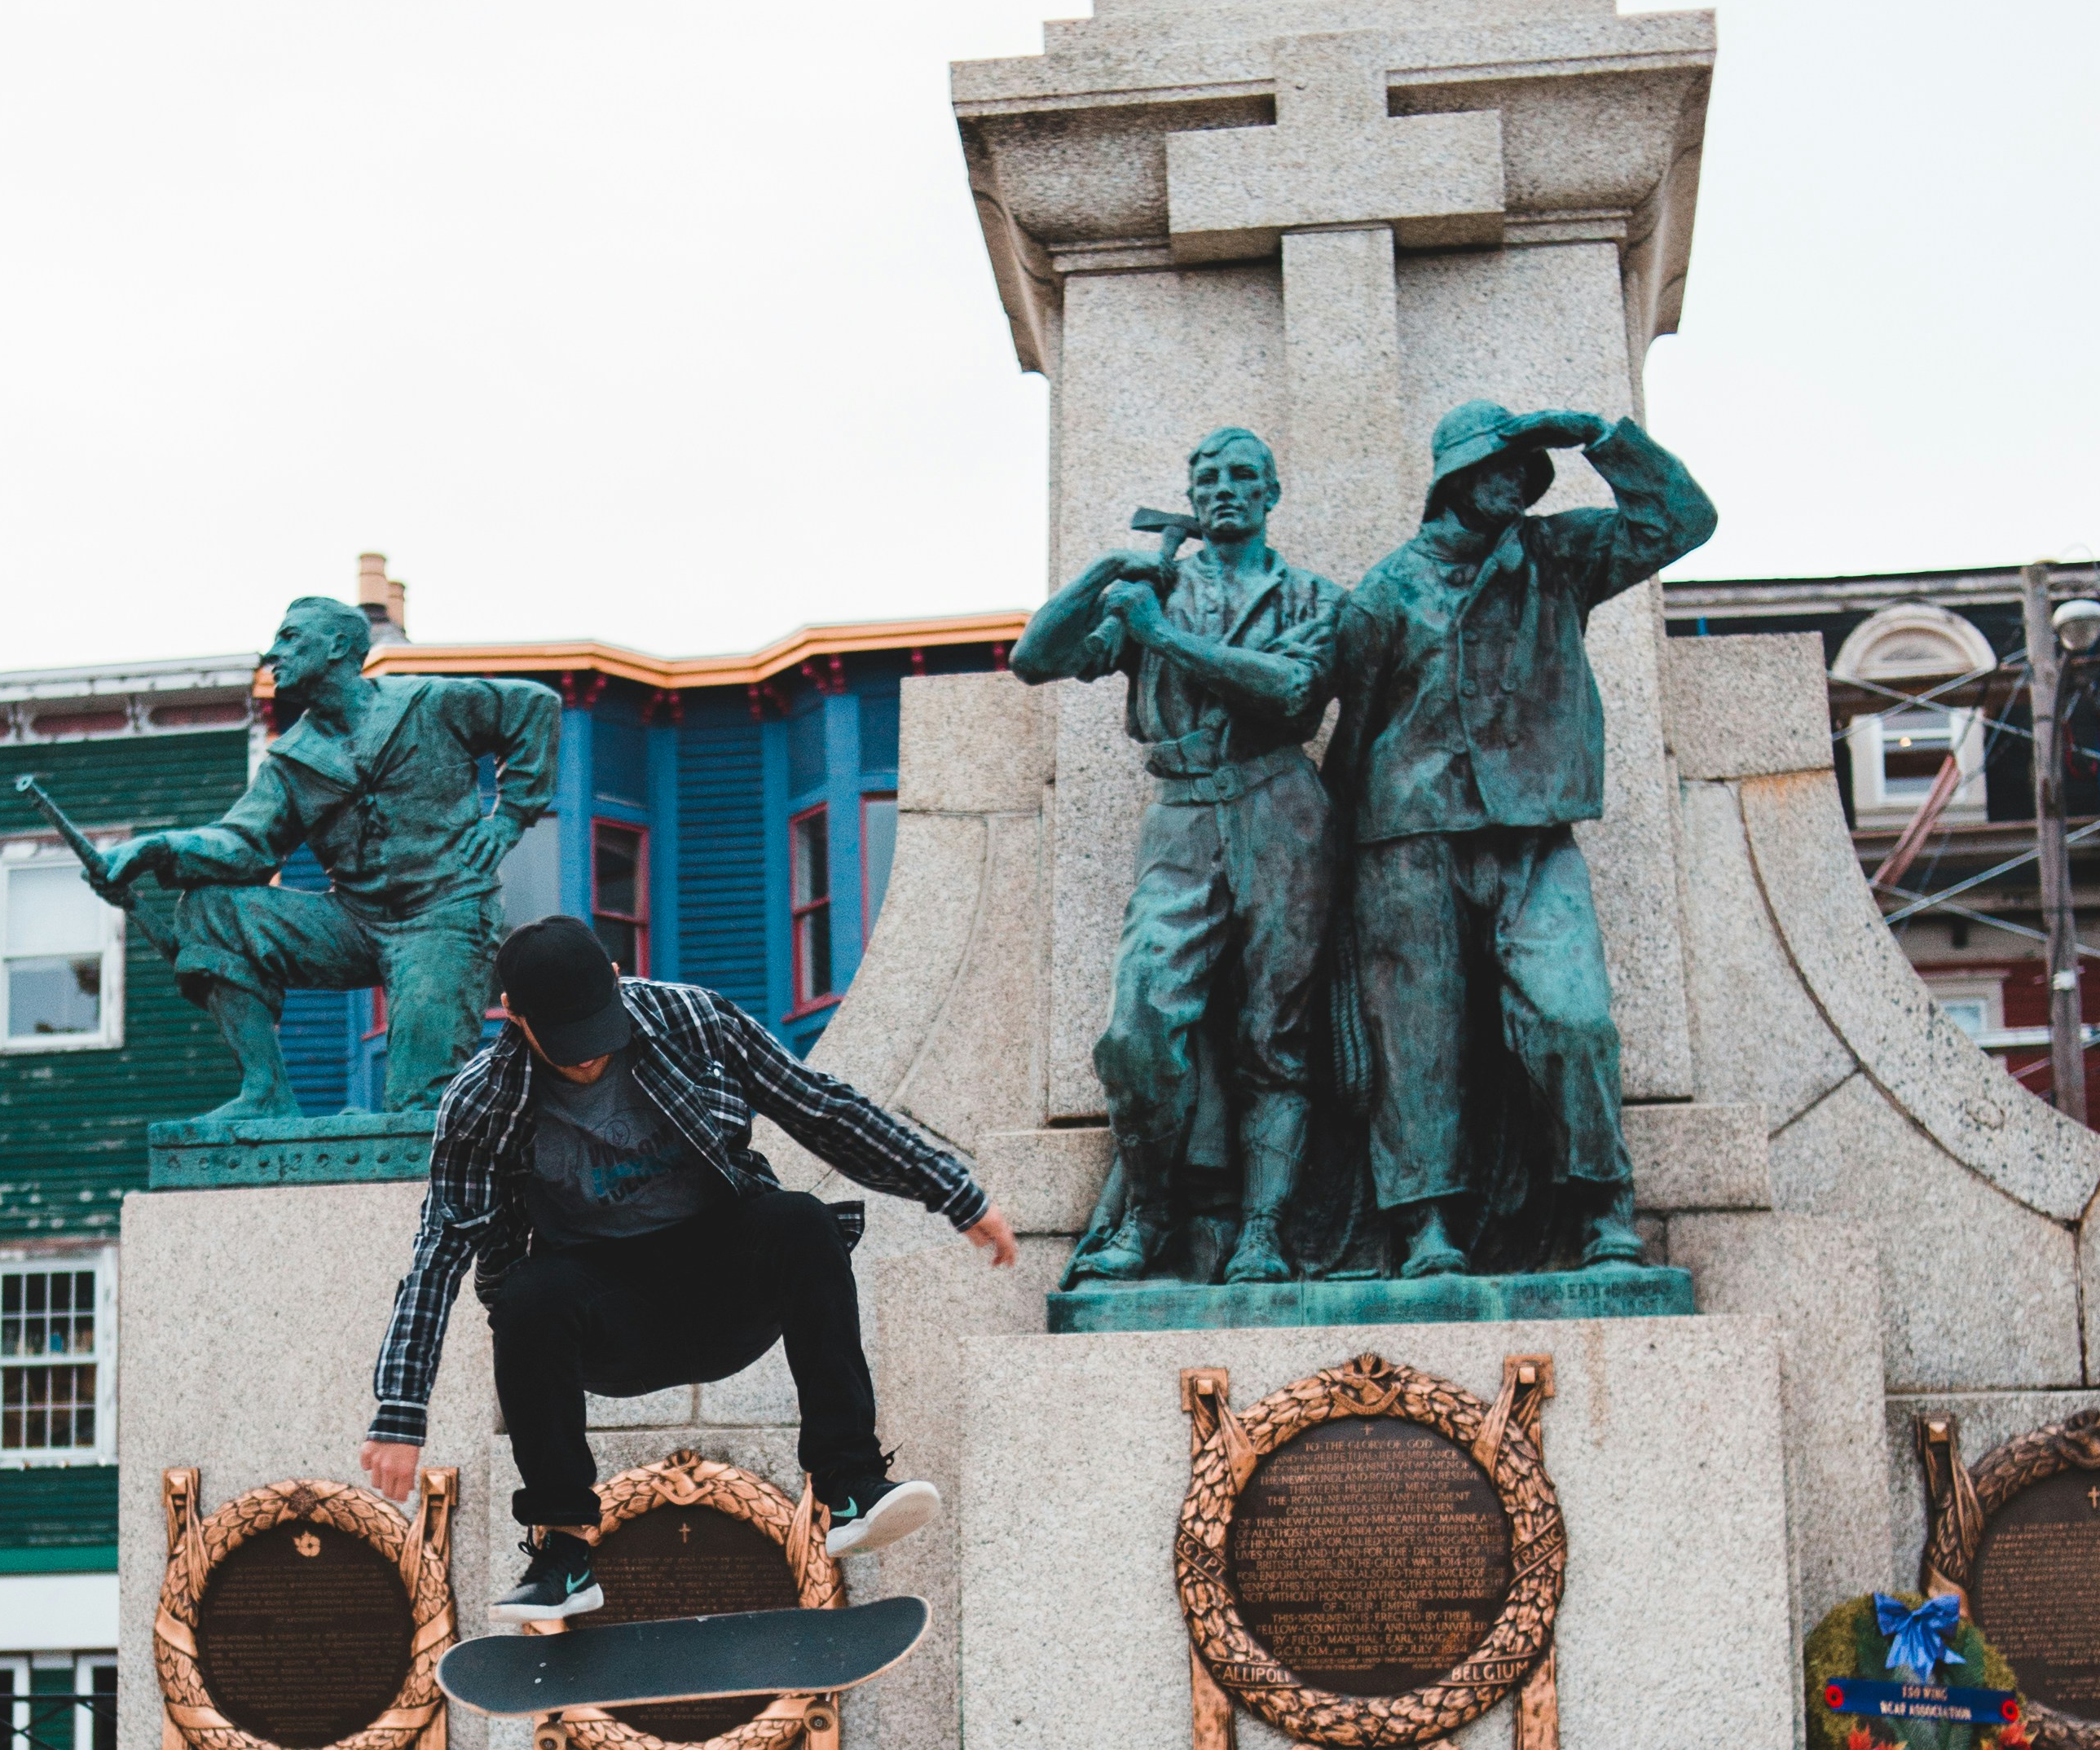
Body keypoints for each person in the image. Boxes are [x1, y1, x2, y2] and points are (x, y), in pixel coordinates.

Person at [359, 916, 1020, 1622]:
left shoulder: (693, 1020)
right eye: (567, 1049)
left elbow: (820, 1109)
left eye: (597, 1039)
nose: (587, 1062)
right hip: (606, 1319)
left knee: (801, 1221)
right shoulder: (481, 1103)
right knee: (527, 1295)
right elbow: (439, 1253)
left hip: (722, 1286)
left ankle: (851, 1482)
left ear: (617, 979)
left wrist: (949, 1190)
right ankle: (564, 1552)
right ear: (514, 1018)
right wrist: (400, 1414)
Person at [1324, 402, 1718, 1277]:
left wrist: (1599, 437)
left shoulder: (1559, 555)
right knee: (1417, 1040)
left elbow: (1682, 521)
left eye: (1523, 467)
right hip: (1406, 837)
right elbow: (1351, 723)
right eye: (1499, 465)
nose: (1517, 477)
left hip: (1535, 834)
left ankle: (1602, 1205)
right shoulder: (1387, 588)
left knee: (1573, 1018)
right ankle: (1427, 1223)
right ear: (1456, 480)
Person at [1018, 427, 1341, 1288]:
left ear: (1271, 493)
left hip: (1281, 807)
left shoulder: (1311, 595)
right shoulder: (1152, 588)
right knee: (1137, 1033)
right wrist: (1105, 577)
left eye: (1243, 476)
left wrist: (1159, 635)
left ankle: (1264, 1230)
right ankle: (1150, 1214)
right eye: (1208, 479)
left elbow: (1292, 693)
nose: (1225, 490)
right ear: (1192, 500)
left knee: (1277, 1035)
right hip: (1182, 812)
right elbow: (1032, 659)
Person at [75, 595, 557, 1133]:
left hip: (443, 914)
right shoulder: (292, 759)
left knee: (417, 1114)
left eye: (289, 638)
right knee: (209, 909)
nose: (272, 652)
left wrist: (510, 817)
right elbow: (244, 844)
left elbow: (534, 707)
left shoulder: (425, 701)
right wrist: (155, 849)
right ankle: (265, 1094)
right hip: (353, 921)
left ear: (336, 647)